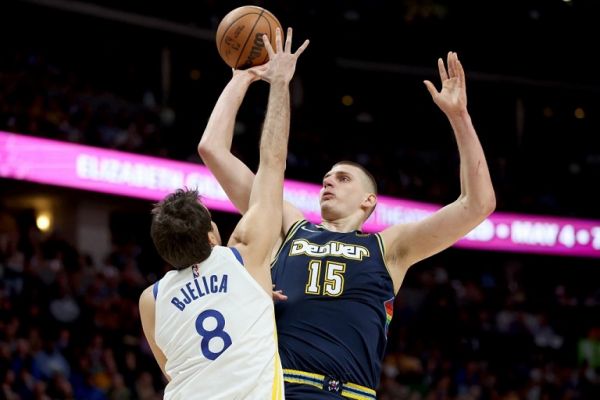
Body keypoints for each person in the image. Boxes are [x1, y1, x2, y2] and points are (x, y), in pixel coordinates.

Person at [198, 51, 495, 399]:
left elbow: (478, 205)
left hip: (349, 393)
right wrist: (241, 78)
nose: (328, 182)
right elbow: (212, 149)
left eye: (341, 178)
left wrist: (459, 117)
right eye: (326, 178)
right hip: (279, 388)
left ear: (368, 201)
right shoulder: (287, 226)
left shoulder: (389, 247)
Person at [139, 28, 309, 399]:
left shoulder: (150, 299)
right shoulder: (245, 255)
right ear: (212, 235)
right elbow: (273, 160)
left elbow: (174, 370)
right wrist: (275, 81)